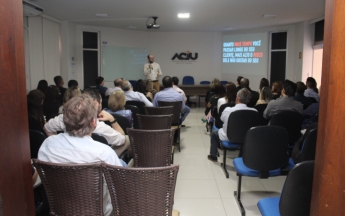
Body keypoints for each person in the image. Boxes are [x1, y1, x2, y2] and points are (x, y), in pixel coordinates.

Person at [38, 94, 124, 216]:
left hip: (60, 210)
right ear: (93, 122)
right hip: (99, 212)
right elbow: (120, 188)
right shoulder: (104, 153)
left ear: (64, 119)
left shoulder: (48, 145)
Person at [43, 88, 129, 156]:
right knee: (127, 139)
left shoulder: (47, 145)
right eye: (101, 102)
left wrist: (61, 146)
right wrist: (112, 119)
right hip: (97, 167)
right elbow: (122, 140)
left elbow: (47, 127)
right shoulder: (105, 150)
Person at [208, 88, 257, 162]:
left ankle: (213, 155)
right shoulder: (254, 111)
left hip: (229, 137)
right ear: (249, 100)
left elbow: (221, 120)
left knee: (214, 134)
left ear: (237, 98)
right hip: (246, 138)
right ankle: (241, 157)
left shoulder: (228, 110)